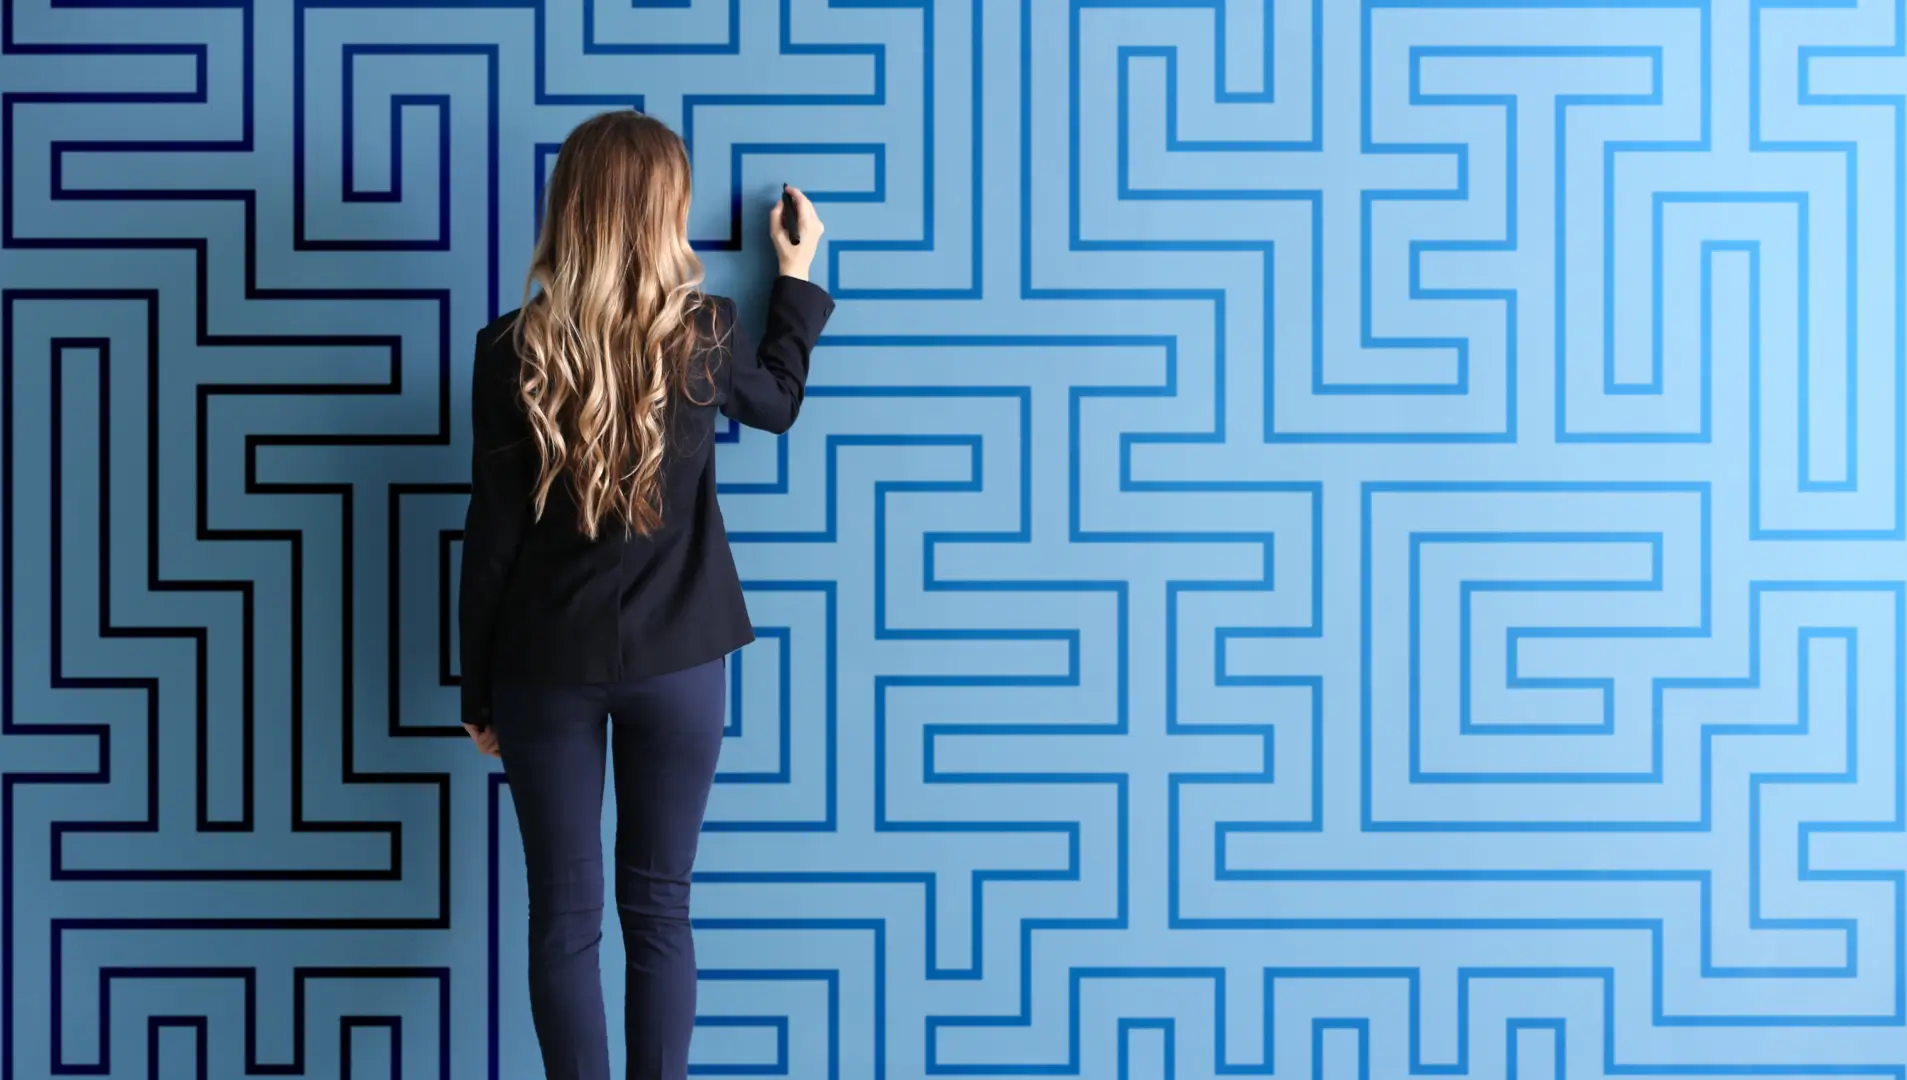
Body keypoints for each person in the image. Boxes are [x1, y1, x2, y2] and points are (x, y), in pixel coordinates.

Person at [456, 109, 832, 1080]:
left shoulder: (510, 350)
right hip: (681, 663)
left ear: (568, 212)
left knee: (564, 916)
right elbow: (781, 405)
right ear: (664, 211)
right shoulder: (703, 334)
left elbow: (491, 537)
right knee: (659, 906)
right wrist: (794, 280)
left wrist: (477, 693)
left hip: (546, 667)